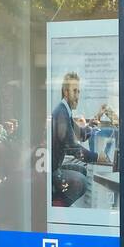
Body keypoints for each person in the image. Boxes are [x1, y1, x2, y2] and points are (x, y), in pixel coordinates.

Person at [51, 73, 110, 207]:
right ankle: (57, 208)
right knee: (81, 182)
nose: (77, 96)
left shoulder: (65, 111)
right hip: (53, 172)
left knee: (82, 170)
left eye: (79, 91)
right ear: (66, 92)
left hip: (56, 168)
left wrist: (98, 117)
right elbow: (73, 148)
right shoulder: (61, 114)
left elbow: (81, 134)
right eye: (74, 91)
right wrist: (97, 157)